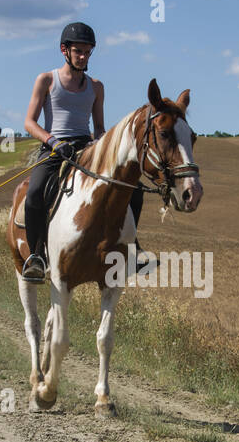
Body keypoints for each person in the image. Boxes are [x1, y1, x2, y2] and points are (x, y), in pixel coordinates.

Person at [20, 22, 152, 283]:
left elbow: (99, 127)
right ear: (64, 50)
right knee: (35, 193)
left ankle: (132, 249)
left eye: (88, 52)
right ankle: (36, 256)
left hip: (86, 148)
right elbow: (29, 122)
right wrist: (53, 142)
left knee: (133, 190)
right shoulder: (46, 80)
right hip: (54, 148)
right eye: (78, 51)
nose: (83, 57)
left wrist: (102, 146)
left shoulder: (96, 86)